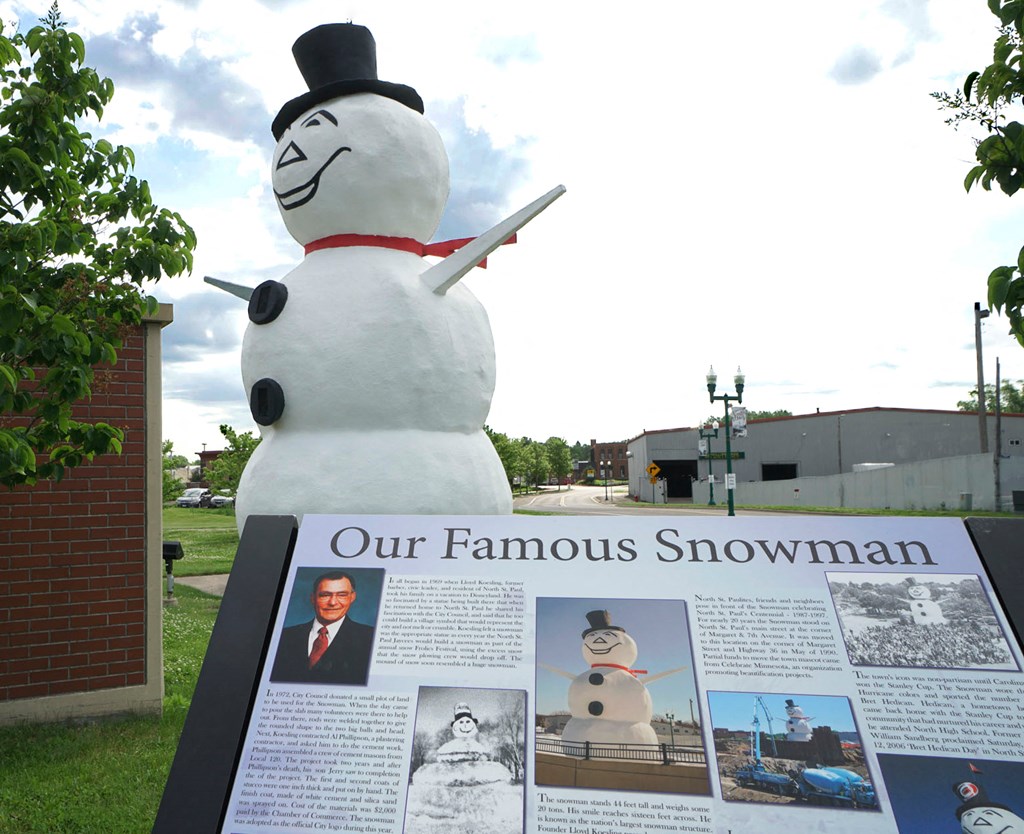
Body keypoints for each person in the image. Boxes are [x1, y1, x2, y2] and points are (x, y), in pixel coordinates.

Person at [270, 570, 375, 685]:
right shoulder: (283, 636)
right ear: (313, 598)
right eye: (325, 595)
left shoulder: (371, 638)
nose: (333, 602)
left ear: (352, 597)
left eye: (342, 595)